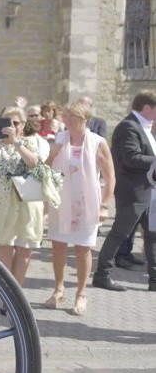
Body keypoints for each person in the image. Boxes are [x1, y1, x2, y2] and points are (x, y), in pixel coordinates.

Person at [44, 101, 115, 316]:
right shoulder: (60, 139)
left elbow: (110, 176)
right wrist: (53, 154)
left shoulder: (97, 142)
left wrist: (104, 205)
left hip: (87, 202)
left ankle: (81, 293)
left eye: (73, 118)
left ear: (85, 120)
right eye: (66, 117)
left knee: (83, 248)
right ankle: (59, 288)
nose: (68, 121)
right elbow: (45, 168)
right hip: (62, 200)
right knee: (57, 245)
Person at [93, 91, 156, 292]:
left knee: (153, 234)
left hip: (148, 191)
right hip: (133, 191)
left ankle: (154, 280)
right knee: (119, 233)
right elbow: (132, 158)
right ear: (147, 108)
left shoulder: (146, 127)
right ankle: (102, 275)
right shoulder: (128, 126)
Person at [0, 107, 45, 286]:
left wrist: (16, 142)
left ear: (23, 125)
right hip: (2, 204)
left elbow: (33, 162)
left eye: (15, 123)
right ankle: (5, 295)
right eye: (7, 123)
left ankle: (17, 295)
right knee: (5, 248)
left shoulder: (29, 143)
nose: (11, 127)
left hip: (26, 203)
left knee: (25, 250)